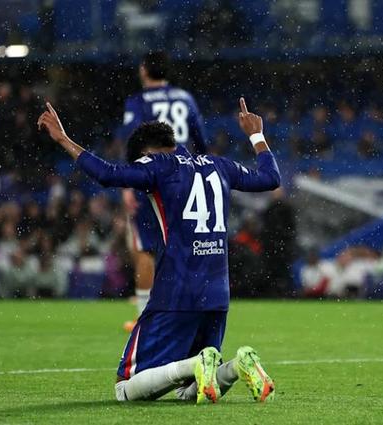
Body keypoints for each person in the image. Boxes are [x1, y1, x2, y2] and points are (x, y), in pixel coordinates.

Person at [38, 98, 278, 404]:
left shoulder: (158, 165)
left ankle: (195, 363)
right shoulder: (220, 165)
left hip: (176, 292)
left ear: (146, 153)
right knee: (189, 391)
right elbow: (270, 179)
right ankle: (236, 366)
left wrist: (62, 139)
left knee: (125, 389)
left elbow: (107, 174)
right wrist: (256, 135)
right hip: (217, 294)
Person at [119, 51, 208, 331]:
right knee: (185, 245)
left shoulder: (138, 101)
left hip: (152, 177)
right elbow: (201, 141)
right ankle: (190, 312)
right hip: (185, 177)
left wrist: (128, 183)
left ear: (144, 70)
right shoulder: (185, 98)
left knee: (145, 248)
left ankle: (146, 318)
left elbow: (132, 142)